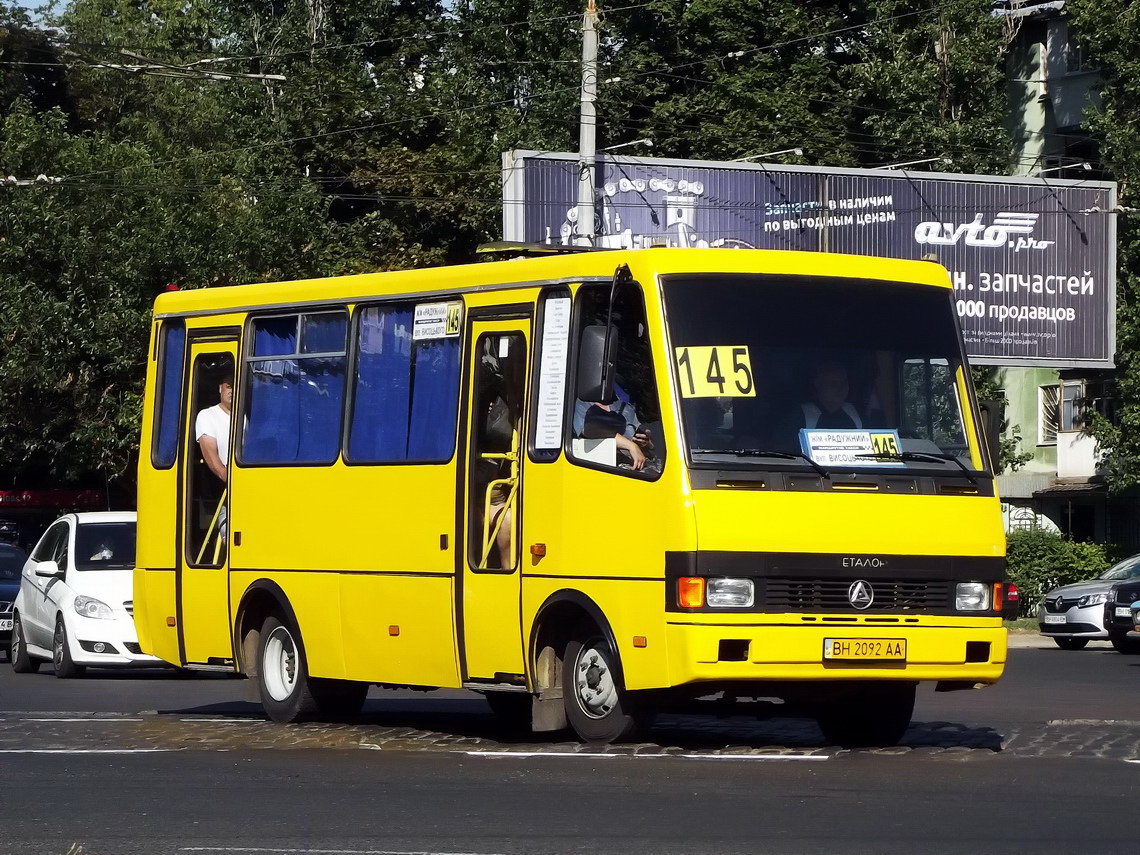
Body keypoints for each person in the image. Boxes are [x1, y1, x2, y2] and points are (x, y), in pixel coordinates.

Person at [574, 388, 651, 471]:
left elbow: (642, 443)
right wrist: (630, 445)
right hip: (591, 467)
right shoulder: (581, 404)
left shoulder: (626, 408)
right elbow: (589, 429)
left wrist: (644, 442)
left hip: (627, 469)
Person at [800, 361, 863, 430]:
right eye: (833, 383)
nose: (840, 388)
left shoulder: (856, 415)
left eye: (844, 382)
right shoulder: (803, 416)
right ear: (818, 384)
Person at [196, 375, 233, 483]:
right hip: (224, 484)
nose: (232, 391)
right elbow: (210, 454)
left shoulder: (244, 418)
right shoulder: (207, 415)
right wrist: (226, 476)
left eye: (236, 387)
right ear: (220, 388)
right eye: (229, 386)